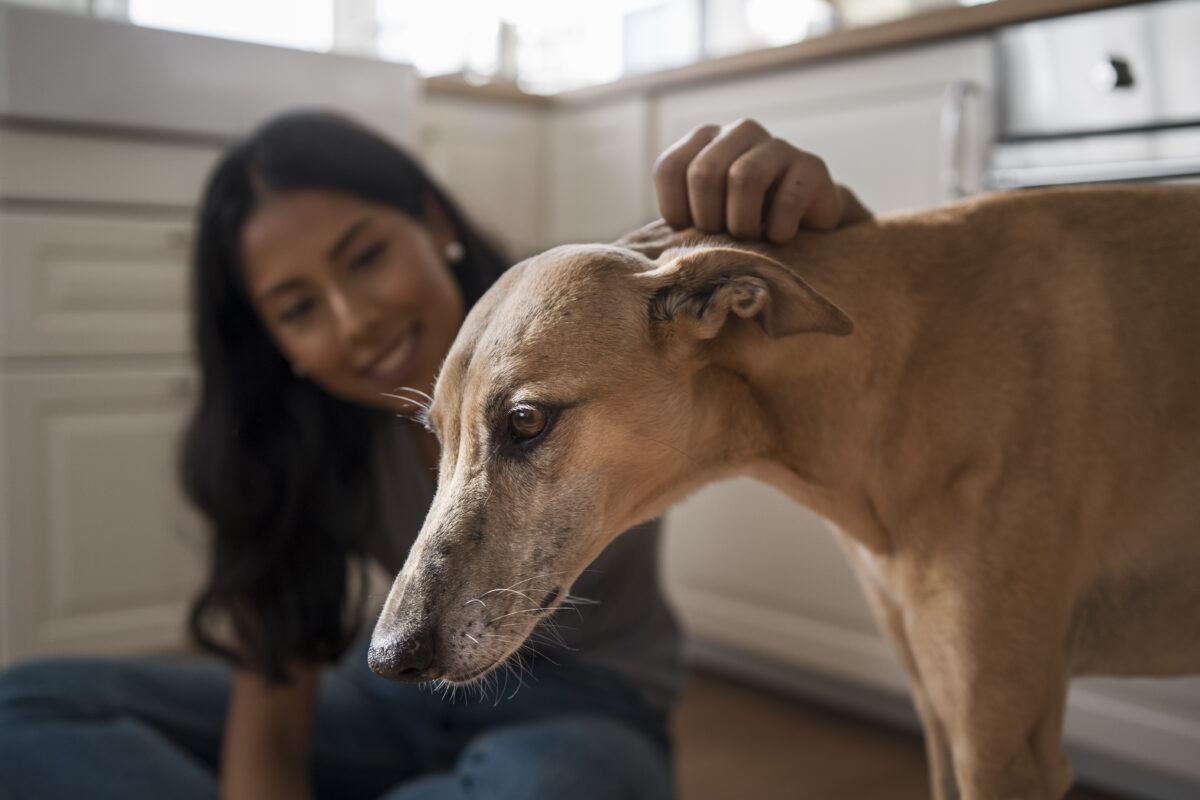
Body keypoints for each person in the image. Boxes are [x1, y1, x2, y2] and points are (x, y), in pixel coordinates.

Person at [0, 111, 869, 800]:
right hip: (382, 700)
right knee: (20, 712)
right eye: (299, 307)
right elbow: (271, 717)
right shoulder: (295, 442)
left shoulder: (602, 327)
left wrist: (817, 216)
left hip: (580, 713)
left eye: (366, 257)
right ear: (276, 344)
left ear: (432, 221)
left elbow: (834, 341)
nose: (355, 320)